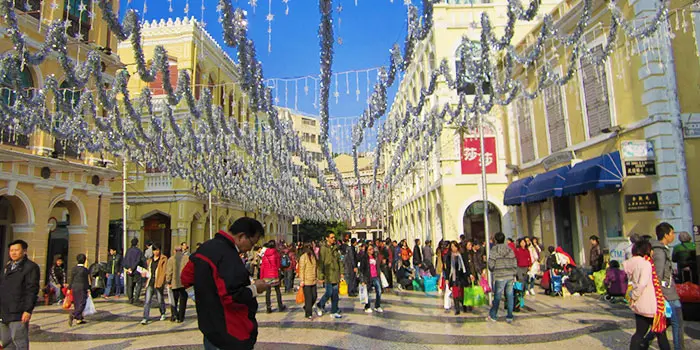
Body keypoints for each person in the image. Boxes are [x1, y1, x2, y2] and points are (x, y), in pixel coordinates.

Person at [181, 217, 268, 350]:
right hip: (230, 330)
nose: (250, 248)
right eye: (252, 243)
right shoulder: (228, 256)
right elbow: (231, 295)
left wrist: (203, 300)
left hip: (210, 327)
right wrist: (255, 288)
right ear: (242, 236)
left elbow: (186, 277)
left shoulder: (206, 247)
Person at [624, 239, 670, 350]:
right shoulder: (645, 264)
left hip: (639, 304)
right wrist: (634, 295)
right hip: (651, 305)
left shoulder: (632, 263)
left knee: (639, 333)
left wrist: (633, 297)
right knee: (661, 334)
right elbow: (642, 284)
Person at [644, 223, 683, 349]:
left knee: (665, 322)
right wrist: (661, 295)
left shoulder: (660, 249)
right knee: (677, 323)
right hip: (668, 293)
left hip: (668, 291)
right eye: (672, 233)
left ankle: (645, 340)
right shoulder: (660, 253)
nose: (673, 236)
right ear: (666, 235)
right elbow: (658, 276)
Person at [0, 240, 39, 349]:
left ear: (24, 251)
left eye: (16, 250)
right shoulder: (7, 266)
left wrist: (28, 310)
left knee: (19, 341)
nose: (13, 253)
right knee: (6, 341)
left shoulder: (31, 267)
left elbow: (32, 290)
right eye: (11, 250)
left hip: (18, 311)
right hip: (4, 310)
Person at [487, 232, 517, 324]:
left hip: (500, 275)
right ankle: (509, 316)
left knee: (497, 296)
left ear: (496, 240)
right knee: (510, 296)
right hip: (510, 275)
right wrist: (514, 272)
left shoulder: (494, 250)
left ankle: (493, 315)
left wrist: (492, 269)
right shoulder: (510, 249)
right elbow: (514, 261)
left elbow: (491, 263)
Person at [316, 232, 343, 319]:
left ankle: (334, 311)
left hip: (335, 274)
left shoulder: (336, 248)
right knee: (329, 292)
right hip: (328, 274)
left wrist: (342, 272)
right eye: (331, 237)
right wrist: (320, 276)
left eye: (334, 237)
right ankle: (320, 304)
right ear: (327, 238)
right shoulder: (323, 249)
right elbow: (320, 263)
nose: (333, 239)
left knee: (335, 294)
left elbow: (340, 261)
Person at [141, 244, 168, 325]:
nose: (156, 252)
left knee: (160, 299)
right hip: (150, 281)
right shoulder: (150, 260)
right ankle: (145, 317)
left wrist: (162, 281)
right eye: (154, 250)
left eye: (157, 250)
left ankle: (163, 312)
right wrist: (144, 273)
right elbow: (148, 270)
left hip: (158, 282)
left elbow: (164, 271)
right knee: (147, 301)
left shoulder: (163, 259)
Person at [260, 240, 286, 313]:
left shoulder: (265, 255)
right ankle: (280, 306)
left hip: (266, 275)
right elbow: (278, 265)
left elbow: (262, 267)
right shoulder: (276, 254)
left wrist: (261, 277)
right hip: (274, 275)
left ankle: (268, 308)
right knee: (277, 291)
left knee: (268, 292)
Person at [445, 241, 469, 315]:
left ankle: (464, 305)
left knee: (462, 293)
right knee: (455, 293)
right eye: (452, 247)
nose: (453, 248)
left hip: (462, 276)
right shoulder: (449, 256)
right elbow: (448, 268)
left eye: (454, 246)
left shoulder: (462, 255)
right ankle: (457, 308)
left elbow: (466, 265)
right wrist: (446, 278)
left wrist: (469, 274)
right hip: (454, 277)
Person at [358, 244, 384, 313]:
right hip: (368, 277)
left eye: (372, 249)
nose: (371, 251)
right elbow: (361, 269)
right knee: (368, 293)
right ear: (366, 250)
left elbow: (378, 265)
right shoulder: (364, 258)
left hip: (375, 276)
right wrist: (362, 280)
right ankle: (367, 306)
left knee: (379, 291)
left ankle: (377, 306)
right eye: (369, 249)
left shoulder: (374, 256)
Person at [166, 247, 188, 323]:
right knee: (183, 300)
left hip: (174, 283)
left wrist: (168, 281)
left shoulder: (171, 259)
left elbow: (169, 271)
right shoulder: (186, 258)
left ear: (174, 251)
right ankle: (181, 317)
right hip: (184, 283)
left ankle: (174, 315)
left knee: (173, 300)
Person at [68, 254, 91, 327]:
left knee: (77, 303)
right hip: (82, 287)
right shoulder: (85, 270)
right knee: (82, 302)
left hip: (74, 287)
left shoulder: (73, 269)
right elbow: (86, 281)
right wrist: (88, 289)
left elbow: (71, 279)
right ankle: (74, 314)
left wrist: (69, 288)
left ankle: (79, 319)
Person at [298, 243, 318, 319]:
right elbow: (301, 269)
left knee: (314, 296)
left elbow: (316, 267)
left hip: (313, 279)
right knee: (308, 298)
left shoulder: (313, 257)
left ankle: (306, 307)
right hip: (306, 281)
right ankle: (308, 313)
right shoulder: (303, 257)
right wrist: (302, 280)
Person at [124, 238, 144, 304]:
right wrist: (132, 268)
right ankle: (136, 298)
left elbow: (125, 260)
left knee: (130, 285)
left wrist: (128, 268)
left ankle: (130, 298)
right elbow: (138, 260)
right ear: (137, 243)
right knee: (138, 284)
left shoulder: (128, 251)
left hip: (129, 270)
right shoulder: (139, 251)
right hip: (136, 271)